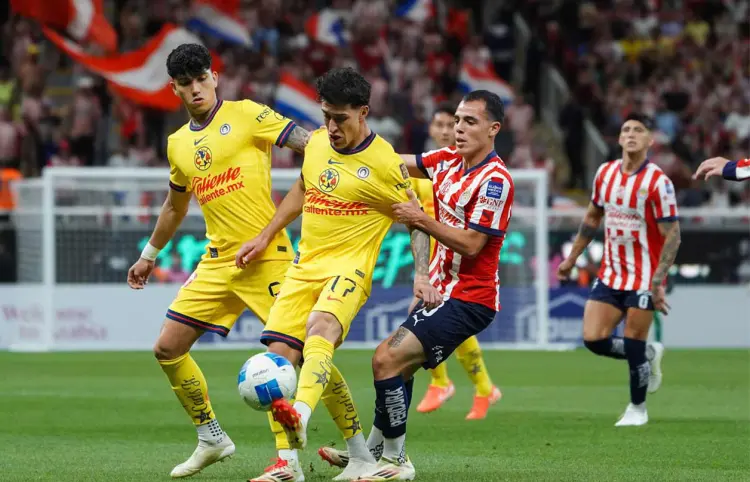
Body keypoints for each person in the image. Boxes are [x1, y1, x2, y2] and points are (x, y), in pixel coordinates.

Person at [235, 67, 440, 482]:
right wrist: (265, 235)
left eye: (340, 118)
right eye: (326, 116)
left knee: (321, 328)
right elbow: (302, 188)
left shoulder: (385, 162)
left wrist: (422, 274)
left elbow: (416, 220)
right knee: (280, 358)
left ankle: (301, 415)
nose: (331, 127)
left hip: (349, 269)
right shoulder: (315, 144)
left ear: (363, 112)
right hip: (304, 268)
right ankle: (302, 463)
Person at [126, 43, 314, 479]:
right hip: (217, 263)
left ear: (214, 78)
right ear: (174, 89)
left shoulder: (248, 114)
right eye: (185, 83)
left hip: (267, 256)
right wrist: (149, 255)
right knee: (167, 348)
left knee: (292, 357)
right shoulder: (178, 145)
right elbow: (174, 207)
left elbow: (310, 145)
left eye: (201, 79)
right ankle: (211, 437)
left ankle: (306, 459)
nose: (196, 89)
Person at [354, 90, 515, 480]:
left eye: (470, 121)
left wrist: (419, 217)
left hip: (471, 299)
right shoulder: (444, 160)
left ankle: (396, 460)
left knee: (385, 359)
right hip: (441, 291)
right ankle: (373, 452)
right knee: (398, 367)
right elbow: (392, 161)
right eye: (457, 120)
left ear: (493, 129)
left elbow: (472, 245)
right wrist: (351, 137)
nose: (458, 128)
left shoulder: (496, 181)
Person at [557, 113, 681, 427]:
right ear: (620, 138)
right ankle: (649, 354)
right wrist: (571, 259)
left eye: (639, 130)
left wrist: (658, 280)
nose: (631, 134)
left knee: (633, 340)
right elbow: (592, 218)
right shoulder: (605, 174)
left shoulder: (658, 182)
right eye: (626, 129)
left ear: (650, 140)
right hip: (611, 273)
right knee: (593, 339)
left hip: (644, 276)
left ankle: (638, 409)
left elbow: (673, 235)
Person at [410, 103, 502, 419]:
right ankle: (473, 386)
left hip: (461, 259)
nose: (449, 130)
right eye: (441, 124)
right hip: (432, 257)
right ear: (431, 129)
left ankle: (453, 384)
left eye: (455, 124)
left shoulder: (481, 174)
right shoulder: (427, 170)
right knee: (425, 319)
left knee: (431, 321)